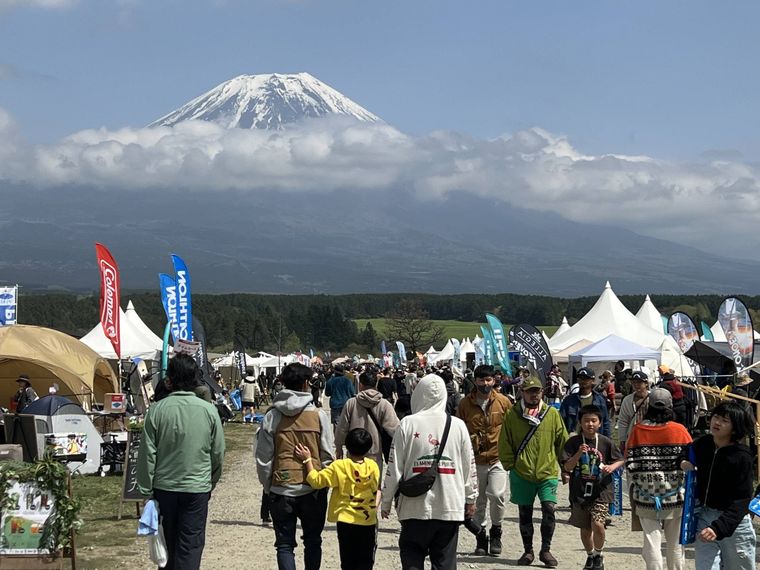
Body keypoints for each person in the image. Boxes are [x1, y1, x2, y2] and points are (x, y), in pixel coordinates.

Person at [136, 354, 225, 570]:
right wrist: (210, 481)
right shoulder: (209, 411)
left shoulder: (157, 411)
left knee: (167, 543)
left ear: (169, 380)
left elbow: (147, 453)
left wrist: (146, 489)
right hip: (197, 487)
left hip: (164, 487)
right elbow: (218, 452)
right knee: (191, 544)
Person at [380, 373, 478, 570]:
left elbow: (394, 466)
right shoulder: (457, 425)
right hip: (449, 505)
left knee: (412, 556)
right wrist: (471, 498)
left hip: (414, 507)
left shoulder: (407, 423)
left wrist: (386, 500)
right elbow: (469, 466)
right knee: (444, 561)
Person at [255, 362, 335, 570]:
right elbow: (328, 454)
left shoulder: (272, 416)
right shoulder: (319, 415)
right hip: (312, 487)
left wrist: (268, 485)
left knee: (284, 545)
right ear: (307, 383)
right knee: (313, 541)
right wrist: (322, 481)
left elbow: (263, 457)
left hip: (281, 487)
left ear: (282, 383)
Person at [499, 375, 568, 567]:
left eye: (537, 391)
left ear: (542, 392)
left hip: (547, 472)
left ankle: (546, 550)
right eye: (529, 392)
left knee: (548, 510)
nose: (533, 395)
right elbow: (504, 441)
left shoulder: (551, 414)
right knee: (525, 513)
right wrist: (510, 465)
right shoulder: (513, 415)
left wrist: (565, 467)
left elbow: (561, 440)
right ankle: (528, 551)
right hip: (522, 473)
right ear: (522, 392)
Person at [680, 401, 756, 570]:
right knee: (705, 567)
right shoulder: (703, 444)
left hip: (735, 523)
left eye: (724, 420)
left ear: (735, 428)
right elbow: (685, 451)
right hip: (705, 516)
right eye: (716, 417)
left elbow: (743, 500)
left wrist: (719, 527)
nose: (717, 422)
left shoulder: (742, 457)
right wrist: (684, 462)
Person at [625, 387, 692, 570]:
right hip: (675, 496)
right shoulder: (680, 430)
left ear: (650, 406)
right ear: (670, 406)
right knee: (675, 543)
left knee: (651, 542)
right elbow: (690, 461)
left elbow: (630, 463)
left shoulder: (638, 430)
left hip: (645, 496)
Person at [295, 428, 380, 570]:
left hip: (346, 520)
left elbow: (316, 481)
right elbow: (376, 489)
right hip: (368, 520)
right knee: (365, 561)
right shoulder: (373, 466)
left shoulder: (340, 466)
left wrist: (307, 460)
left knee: (348, 561)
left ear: (347, 445)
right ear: (368, 448)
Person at [456, 364, 512, 556]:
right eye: (481, 380)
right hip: (475, 459)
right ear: (475, 381)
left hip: (498, 458)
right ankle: (481, 537)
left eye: (489, 380)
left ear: (494, 381)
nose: (485, 384)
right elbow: (459, 431)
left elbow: (511, 428)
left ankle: (496, 531)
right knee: (478, 502)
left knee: (497, 495)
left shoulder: (504, 402)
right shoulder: (464, 404)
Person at [561, 405, 624, 570]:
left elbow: (620, 459)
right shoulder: (573, 442)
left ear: (600, 422)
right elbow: (567, 467)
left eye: (594, 420)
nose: (590, 424)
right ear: (580, 423)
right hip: (580, 491)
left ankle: (599, 553)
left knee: (598, 524)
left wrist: (612, 467)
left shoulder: (605, 441)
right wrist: (578, 454)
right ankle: (590, 555)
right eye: (586, 421)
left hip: (601, 490)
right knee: (585, 529)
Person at [335, 370, 399, 473]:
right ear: (376, 384)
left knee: (353, 484)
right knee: (374, 485)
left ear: (360, 385)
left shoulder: (351, 403)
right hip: (375, 451)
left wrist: (338, 447)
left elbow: (342, 428)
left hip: (353, 453)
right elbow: (394, 429)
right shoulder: (384, 404)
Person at [560, 367, 611, 437]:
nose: (582, 381)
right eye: (580, 378)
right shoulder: (569, 401)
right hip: (574, 440)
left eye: (586, 378)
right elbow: (561, 423)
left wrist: (607, 442)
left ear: (593, 380)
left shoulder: (600, 400)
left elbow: (605, 423)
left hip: (595, 440)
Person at [616, 370, 650, 453]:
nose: (636, 385)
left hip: (650, 434)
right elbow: (623, 421)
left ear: (646, 384)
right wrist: (622, 440)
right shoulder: (627, 400)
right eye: (634, 382)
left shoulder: (653, 398)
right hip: (633, 435)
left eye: (639, 382)